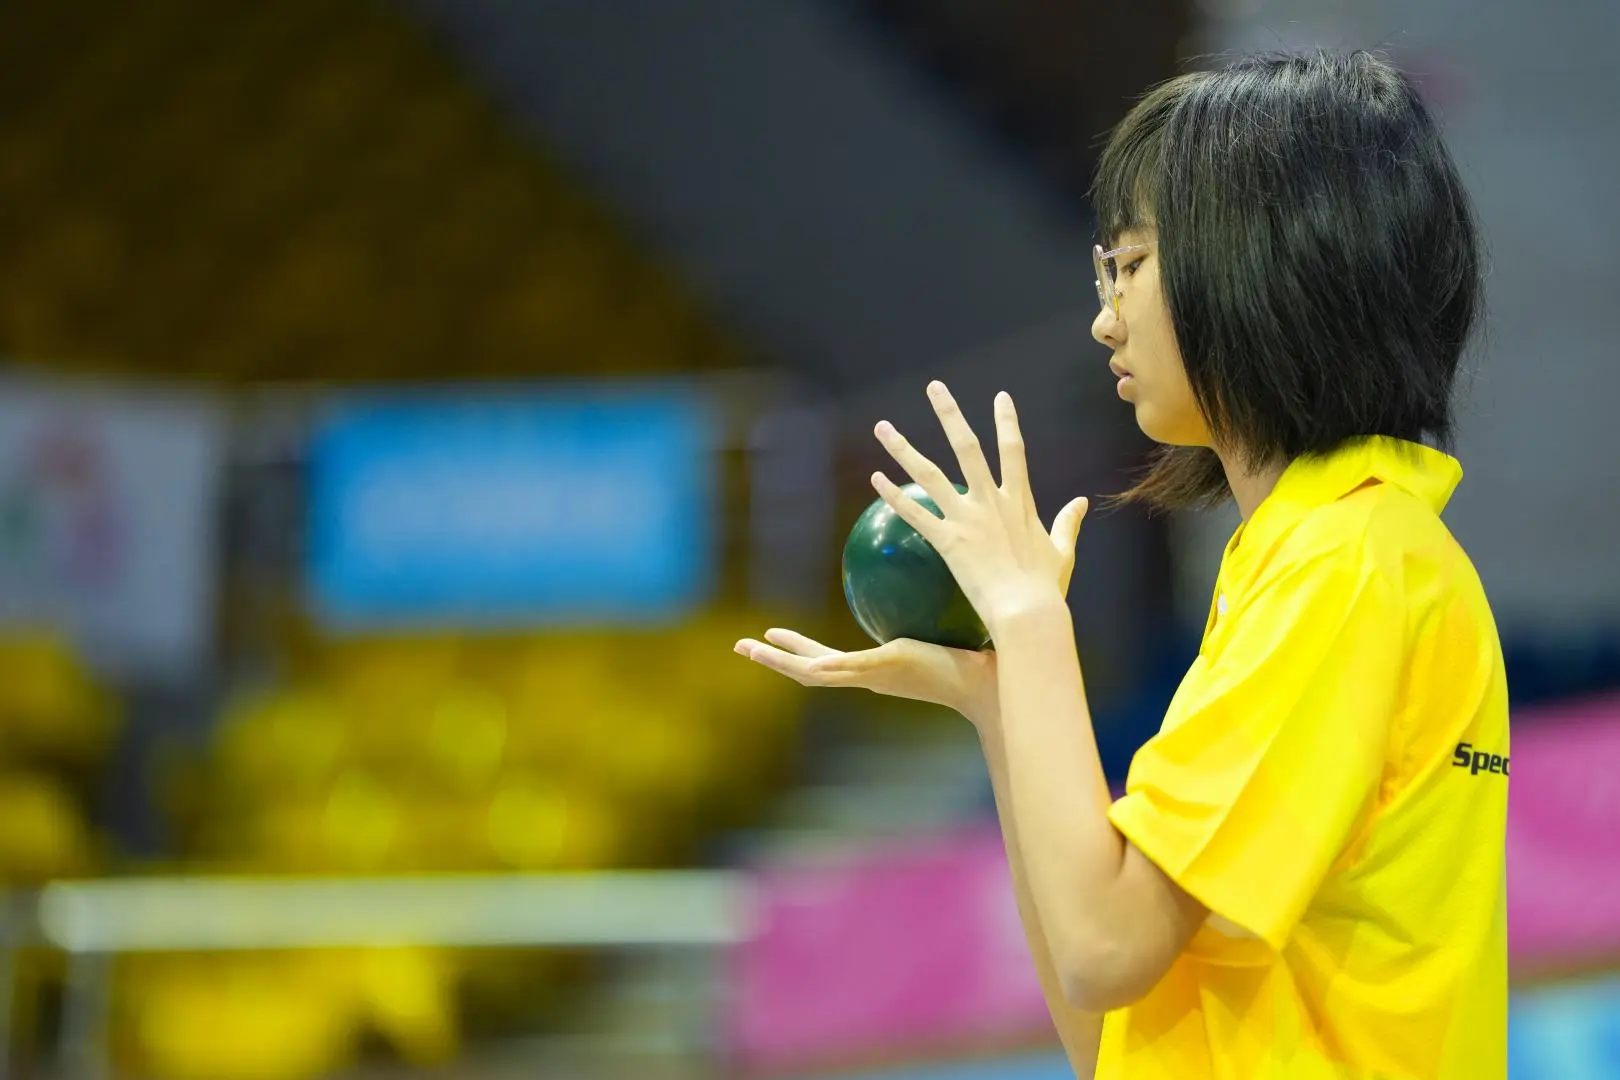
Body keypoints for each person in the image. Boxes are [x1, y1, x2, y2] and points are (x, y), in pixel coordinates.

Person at [735, 48, 1505, 1079]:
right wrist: (1001, 703)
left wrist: (1030, 620)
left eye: (1132, 265)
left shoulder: (1346, 566)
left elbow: (1104, 949)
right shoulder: (1332, 557)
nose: (1105, 317)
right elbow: (1110, 1031)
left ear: (1262, 268)